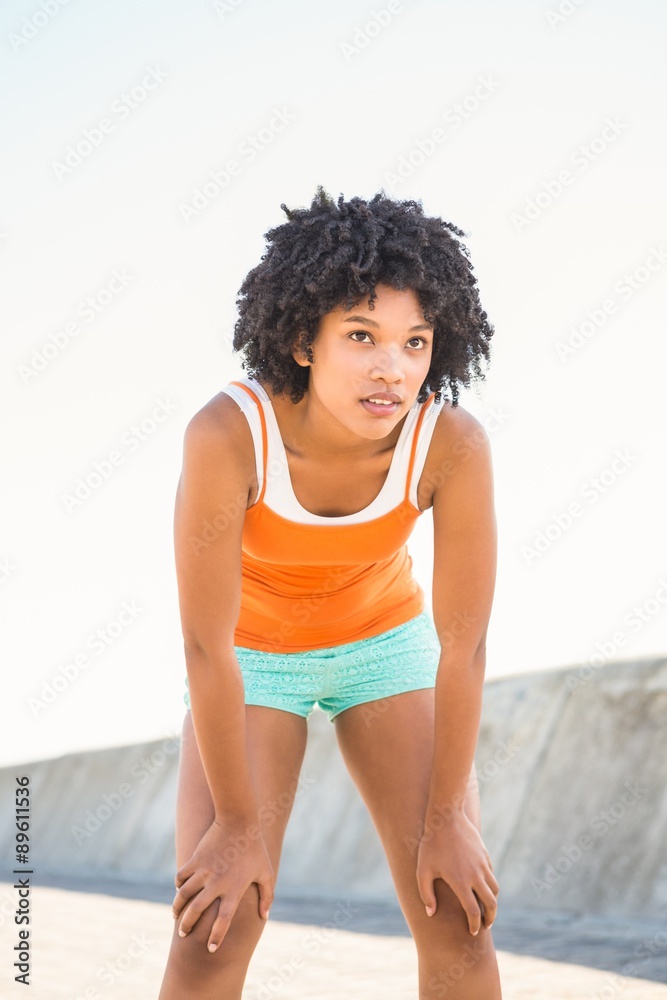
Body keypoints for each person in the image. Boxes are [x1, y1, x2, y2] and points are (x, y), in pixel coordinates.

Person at [158, 187, 502, 999]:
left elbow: (463, 646)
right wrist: (236, 826)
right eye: (360, 335)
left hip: (384, 648)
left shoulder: (449, 443)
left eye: (415, 342)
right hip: (253, 659)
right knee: (215, 929)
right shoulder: (228, 434)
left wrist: (448, 819)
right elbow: (206, 646)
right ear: (301, 341)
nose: (392, 369)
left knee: (458, 921)